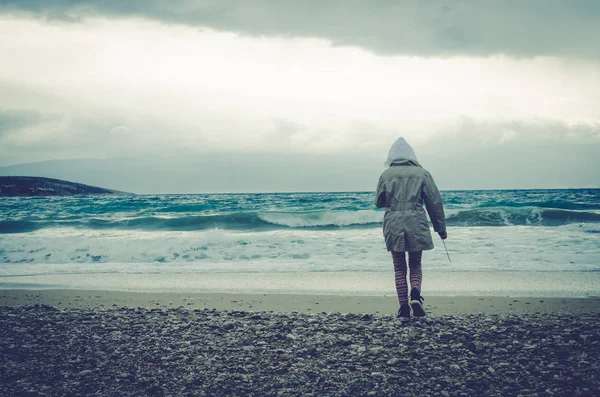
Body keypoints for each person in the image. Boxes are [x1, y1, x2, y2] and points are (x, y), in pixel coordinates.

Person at [375, 137, 447, 320]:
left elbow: (378, 202)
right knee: (415, 264)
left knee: (399, 267)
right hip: (416, 222)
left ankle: (403, 308)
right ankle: (415, 295)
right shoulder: (422, 174)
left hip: (393, 223)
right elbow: (434, 202)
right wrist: (440, 228)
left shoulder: (386, 175)